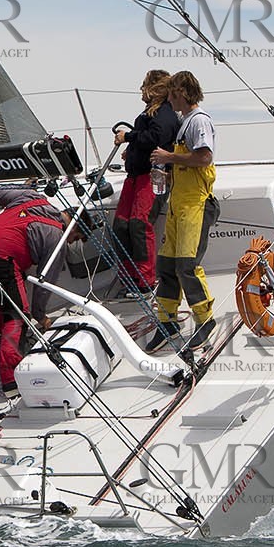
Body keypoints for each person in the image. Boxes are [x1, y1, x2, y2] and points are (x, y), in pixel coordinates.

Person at [0, 185, 73, 414]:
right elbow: (45, 283)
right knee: (19, 313)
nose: (73, 242)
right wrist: (39, 316)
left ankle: (1, 340)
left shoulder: (34, 197)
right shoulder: (57, 236)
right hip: (2, 258)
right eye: (77, 237)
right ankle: (10, 380)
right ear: (72, 228)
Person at [148, 70, 219, 350]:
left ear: (183, 93)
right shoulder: (183, 122)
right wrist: (168, 175)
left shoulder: (198, 121)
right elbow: (188, 163)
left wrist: (168, 157)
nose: (169, 98)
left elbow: (204, 157)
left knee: (186, 266)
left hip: (195, 205)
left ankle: (205, 320)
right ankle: (167, 320)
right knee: (166, 265)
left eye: (173, 93)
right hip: (179, 204)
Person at [112, 70, 181, 294]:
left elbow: (156, 138)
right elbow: (148, 138)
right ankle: (128, 276)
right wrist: (131, 150)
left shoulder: (165, 114)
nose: (141, 89)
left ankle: (145, 280)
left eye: (144, 86)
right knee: (121, 225)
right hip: (135, 176)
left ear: (155, 88)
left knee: (140, 225)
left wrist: (128, 138)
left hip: (152, 176)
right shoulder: (151, 113)